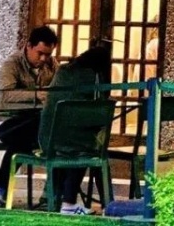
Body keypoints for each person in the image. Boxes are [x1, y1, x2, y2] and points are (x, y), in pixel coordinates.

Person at [39, 41, 111, 216]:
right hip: (71, 144)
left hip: (47, 140)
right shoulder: (92, 77)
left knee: (80, 145)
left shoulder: (63, 70)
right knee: (90, 150)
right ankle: (73, 202)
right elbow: (98, 114)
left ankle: (53, 197)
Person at [0, 25, 58, 205]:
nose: (43, 59)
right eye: (40, 53)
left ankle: (1, 188)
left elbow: (58, 88)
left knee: (56, 140)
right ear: (29, 46)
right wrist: (37, 95)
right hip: (13, 121)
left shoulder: (52, 64)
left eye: (48, 54)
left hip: (39, 122)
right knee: (22, 139)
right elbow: (6, 95)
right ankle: (49, 194)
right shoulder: (12, 64)